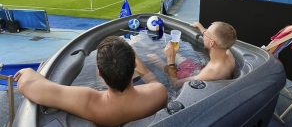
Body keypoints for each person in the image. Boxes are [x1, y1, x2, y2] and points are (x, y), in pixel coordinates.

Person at [14, 36, 167, 127]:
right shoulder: (159, 93)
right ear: (134, 67)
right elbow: (152, 82)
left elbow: (27, 85)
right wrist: (140, 66)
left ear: (100, 73)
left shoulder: (90, 101)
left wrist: (26, 71)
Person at [164, 22, 237, 88]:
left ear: (212, 43)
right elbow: (220, 36)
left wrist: (170, 60)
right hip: (200, 70)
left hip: (198, 78)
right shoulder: (227, 52)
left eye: (206, 33)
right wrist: (201, 27)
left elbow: (175, 84)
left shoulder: (211, 71)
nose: (204, 34)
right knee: (175, 55)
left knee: (159, 59)